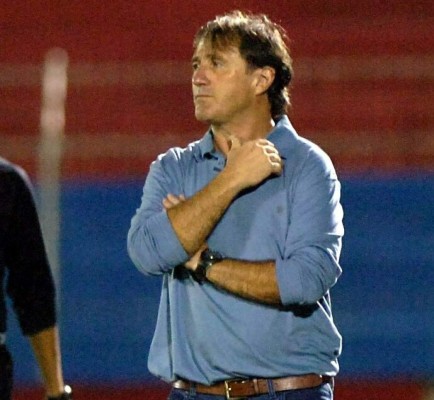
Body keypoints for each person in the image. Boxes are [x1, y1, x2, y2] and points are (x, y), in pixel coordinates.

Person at [128, 10, 344, 400]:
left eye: (216, 63)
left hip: (287, 392)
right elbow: (147, 253)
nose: (198, 77)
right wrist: (233, 178)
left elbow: (304, 281)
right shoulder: (174, 167)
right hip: (193, 394)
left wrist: (202, 262)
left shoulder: (307, 165)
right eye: (195, 64)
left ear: (262, 79)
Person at [0, 157, 72, 400]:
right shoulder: (6, 181)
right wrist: (55, 391)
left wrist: (56, 392)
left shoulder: (7, 183)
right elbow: (32, 289)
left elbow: (32, 289)